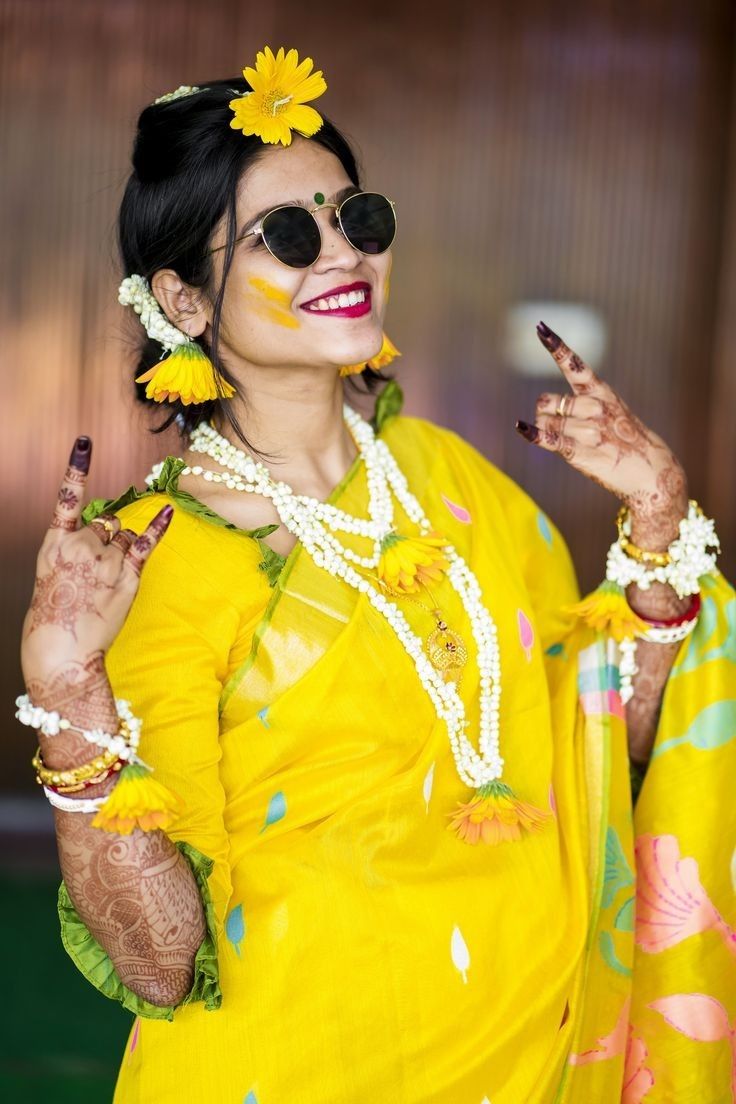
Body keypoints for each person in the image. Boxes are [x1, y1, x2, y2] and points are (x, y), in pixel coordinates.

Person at [17, 47, 734, 1104]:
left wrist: (656, 524)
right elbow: (159, 964)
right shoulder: (150, 561)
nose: (342, 255)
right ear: (185, 299)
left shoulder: (452, 481)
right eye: (287, 236)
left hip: (534, 1048)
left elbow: (597, 752)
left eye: (357, 218)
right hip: (307, 1064)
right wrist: (72, 693)